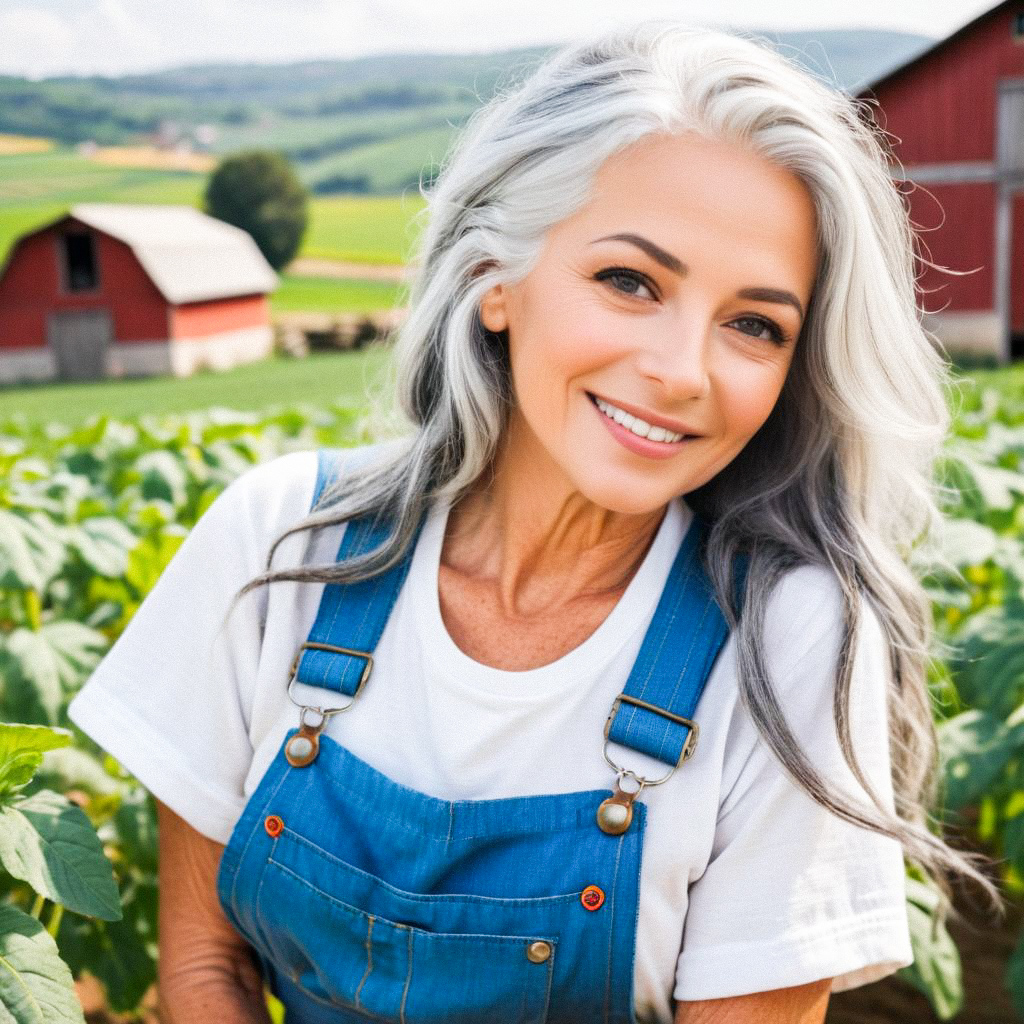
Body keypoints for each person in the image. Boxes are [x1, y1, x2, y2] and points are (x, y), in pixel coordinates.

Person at [67, 18, 1000, 1024]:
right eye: (630, 280)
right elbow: (204, 964)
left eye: (754, 324)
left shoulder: (790, 640)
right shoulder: (284, 540)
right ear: (494, 280)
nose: (683, 370)